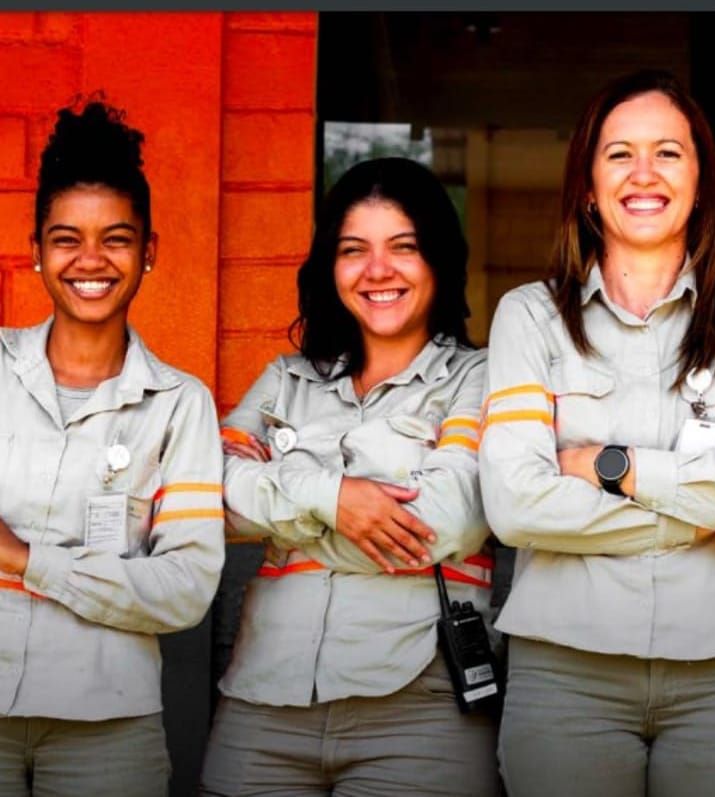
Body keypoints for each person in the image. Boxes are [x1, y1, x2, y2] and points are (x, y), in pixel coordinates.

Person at [479, 69, 715, 797]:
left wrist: (615, 467)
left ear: (700, 180)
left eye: (668, 152)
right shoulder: (529, 317)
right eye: (618, 154)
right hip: (565, 671)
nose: (644, 174)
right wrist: (705, 511)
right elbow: (514, 506)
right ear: (585, 184)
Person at [199, 158, 496, 796]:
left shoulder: (481, 378)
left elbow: (444, 521)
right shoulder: (285, 380)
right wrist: (332, 498)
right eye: (353, 250)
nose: (377, 270)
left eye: (403, 248)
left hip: (421, 709)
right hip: (262, 704)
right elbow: (208, 493)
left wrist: (278, 493)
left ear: (438, 259)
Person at [0, 100, 225, 795]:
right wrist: (105, 578)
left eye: (116, 238)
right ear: (36, 248)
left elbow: (184, 588)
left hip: (110, 727)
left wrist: (25, 559)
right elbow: (146, 583)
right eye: (66, 238)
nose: (90, 260)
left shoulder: (178, 404)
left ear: (149, 250)